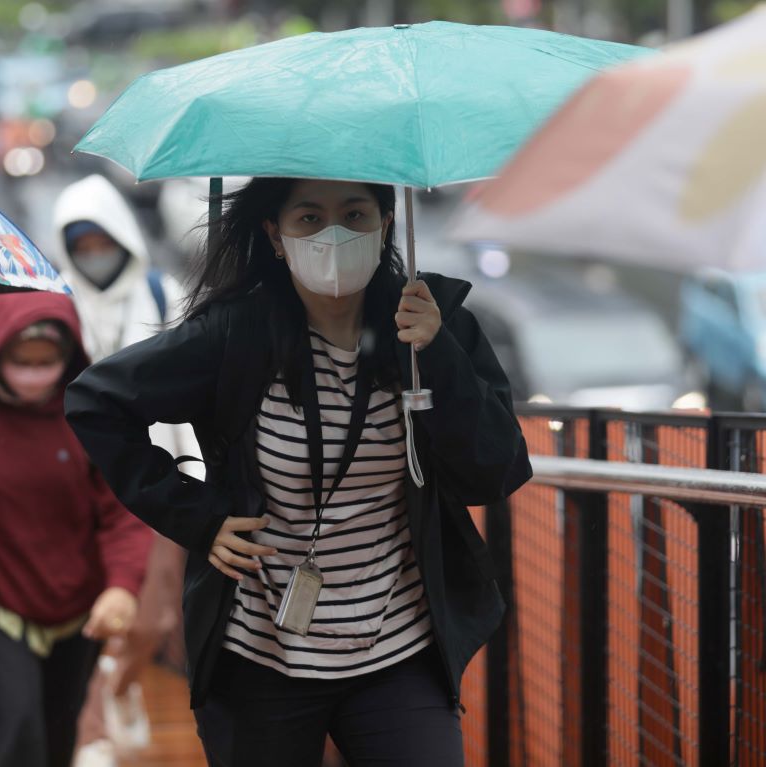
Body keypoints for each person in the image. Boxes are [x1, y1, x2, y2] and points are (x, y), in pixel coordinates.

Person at [66, 178, 532, 766]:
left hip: (397, 652)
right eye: (309, 219)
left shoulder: (434, 324)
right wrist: (199, 518)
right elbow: (96, 403)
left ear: (386, 223)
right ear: (276, 236)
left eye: (355, 215)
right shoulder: (235, 334)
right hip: (261, 659)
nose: (334, 235)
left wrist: (437, 354)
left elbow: (496, 470)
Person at [0, 292, 153, 767]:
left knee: (58, 735)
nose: (34, 373)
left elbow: (120, 512)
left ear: (68, 358)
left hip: (80, 611)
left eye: (46, 361)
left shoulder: (93, 413)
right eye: (21, 361)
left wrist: (122, 587)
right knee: (15, 730)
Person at [51, 173, 202, 765]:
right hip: (81, 482)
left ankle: (119, 685)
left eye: (102, 240)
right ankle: (93, 727)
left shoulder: (164, 295)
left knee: (154, 612)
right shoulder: (55, 304)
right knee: (97, 607)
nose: (94, 256)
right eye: (81, 244)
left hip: (160, 475)